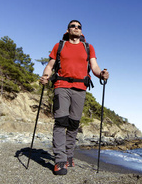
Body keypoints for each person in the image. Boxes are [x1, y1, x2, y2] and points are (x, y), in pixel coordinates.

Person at [40, 20, 109, 175]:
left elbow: (94, 67)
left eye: (79, 27)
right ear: (68, 30)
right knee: (61, 121)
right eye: (73, 26)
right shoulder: (59, 46)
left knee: (73, 123)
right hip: (61, 86)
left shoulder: (88, 47)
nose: (76, 28)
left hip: (80, 88)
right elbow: (50, 66)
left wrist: (102, 74)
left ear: (81, 32)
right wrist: (45, 76)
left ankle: (69, 154)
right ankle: (60, 160)